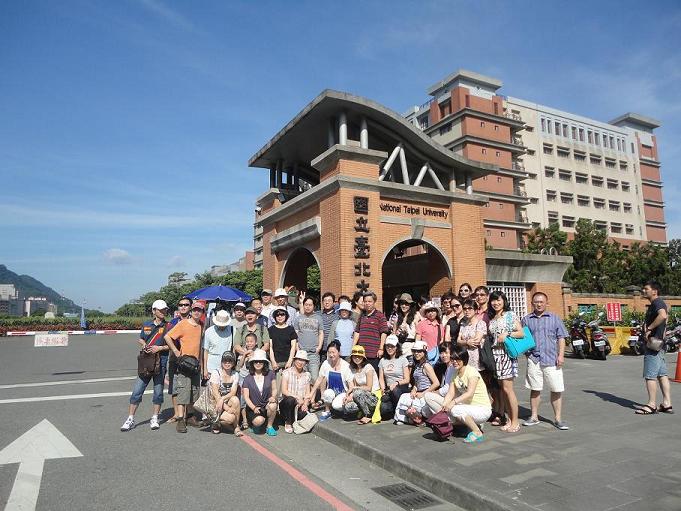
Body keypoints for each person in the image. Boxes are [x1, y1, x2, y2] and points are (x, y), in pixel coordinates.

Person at [521, 292, 570, 429]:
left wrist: (561, 355)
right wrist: (527, 354)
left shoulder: (554, 318)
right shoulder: (526, 319)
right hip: (534, 359)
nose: (539, 304)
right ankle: (534, 416)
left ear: (546, 303)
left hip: (552, 359)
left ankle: (558, 419)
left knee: (556, 388)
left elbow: (561, 337)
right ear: (532, 303)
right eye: (536, 302)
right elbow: (523, 338)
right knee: (535, 389)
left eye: (541, 302)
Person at [120, 300, 171, 432]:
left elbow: (173, 345)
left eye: (165, 309)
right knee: (137, 390)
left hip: (161, 362)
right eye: (161, 310)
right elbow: (141, 338)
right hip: (146, 362)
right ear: (154, 311)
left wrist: (159, 348)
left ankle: (155, 417)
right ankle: (130, 418)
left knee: (158, 392)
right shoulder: (147, 325)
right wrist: (144, 344)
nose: (164, 312)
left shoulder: (169, 326)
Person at [164, 300, 206, 433]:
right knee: (183, 391)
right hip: (184, 364)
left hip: (196, 365)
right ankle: (181, 419)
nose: (197, 312)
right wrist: (176, 351)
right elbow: (167, 337)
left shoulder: (201, 326)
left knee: (194, 391)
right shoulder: (183, 324)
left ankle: (191, 417)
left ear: (202, 312)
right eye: (195, 310)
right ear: (191, 311)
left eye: (199, 310)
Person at [438, 345, 492, 443]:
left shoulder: (471, 372)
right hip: (469, 407)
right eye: (453, 359)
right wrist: (444, 405)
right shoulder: (455, 373)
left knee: (455, 409)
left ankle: (477, 431)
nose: (455, 362)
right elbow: (450, 393)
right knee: (447, 413)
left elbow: (469, 393)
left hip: (482, 409)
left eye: (458, 359)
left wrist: (453, 402)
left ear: (464, 359)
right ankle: (470, 426)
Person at [488, 290, 524, 433]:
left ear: (504, 301)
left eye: (499, 300)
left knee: (508, 389)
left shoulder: (510, 315)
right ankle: (509, 419)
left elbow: (521, 333)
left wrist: (507, 334)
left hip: (506, 354)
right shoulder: (492, 318)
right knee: (503, 389)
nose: (496, 303)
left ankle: (515, 421)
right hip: (495, 355)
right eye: (493, 300)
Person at [636, 281, 673, 415]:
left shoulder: (657, 303)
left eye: (646, 289)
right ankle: (667, 403)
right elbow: (666, 319)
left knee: (650, 376)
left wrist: (649, 329)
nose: (643, 291)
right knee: (662, 375)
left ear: (654, 291)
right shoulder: (657, 304)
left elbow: (663, 316)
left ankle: (651, 404)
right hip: (659, 344)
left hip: (653, 345)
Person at [394, 340, 439, 424]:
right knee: (403, 397)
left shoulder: (426, 366)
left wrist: (423, 393)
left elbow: (436, 383)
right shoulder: (418, 365)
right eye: (414, 351)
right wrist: (413, 390)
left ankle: (414, 418)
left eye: (419, 351)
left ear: (424, 352)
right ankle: (402, 419)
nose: (416, 353)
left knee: (410, 404)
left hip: (426, 395)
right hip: (418, 393)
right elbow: (417, 382)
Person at [308, 341, 353, 421]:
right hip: (332, 391)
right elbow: (319, 379)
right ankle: (327, 411)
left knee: (336, 405)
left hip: (343, 393)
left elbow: (351, 384)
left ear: (339, 352)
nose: (331, 355)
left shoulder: (346, 366)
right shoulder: (326, 363)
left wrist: (349, 396)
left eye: (333, 352)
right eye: (329, 352)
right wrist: (311, 394)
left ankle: (342, 410)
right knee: (327, 393)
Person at [166, 297, 192, 423]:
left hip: (190, 360)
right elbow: (167, 339)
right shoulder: (172, 322)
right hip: (175, 359)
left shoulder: (195, 321)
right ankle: (177, 414)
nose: (183, 307)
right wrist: (175, 351)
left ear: (190, 307)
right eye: (181, 305)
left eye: (186, 305)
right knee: (174, 387)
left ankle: (188, 414)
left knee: (189, 387)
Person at [242, 349, 278, 436]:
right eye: (256, 361)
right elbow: (246, 397)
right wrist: (254, 408)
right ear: (252, 363)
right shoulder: (247, 378)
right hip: (253, 407)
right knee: (258, 421)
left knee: (273, 405)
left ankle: (269, 426)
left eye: (261, 361)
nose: (258, 363)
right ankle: (256, 424)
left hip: (266, 404)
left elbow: (274, 389)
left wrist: (273, 397)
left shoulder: (270, 374)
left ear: (264, 363)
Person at [353, 291, 390, 372]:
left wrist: (381, 348)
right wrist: (353, 346)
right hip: (361, 353)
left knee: (373, 375)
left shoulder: (380, 316)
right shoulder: (362, 316)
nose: (367, 303)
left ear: (374, 302)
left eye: (369, 301)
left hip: (374, 354)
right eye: (365, 301)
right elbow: (357, 331)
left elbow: (384, 333)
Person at [344, 345, 380, 424]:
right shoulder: (353, 369)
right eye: (355, 356)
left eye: (359, 356)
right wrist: (350, 396)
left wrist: (354, 388)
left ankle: (368, 415)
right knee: (348, 407)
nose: (357, 358)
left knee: (357, 392)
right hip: (361, 396)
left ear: (363, 357)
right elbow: (355, 385)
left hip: (373, 397)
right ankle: (362, 411)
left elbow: (369, 387)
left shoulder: (368, 367)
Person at [279, 350, 312, 433]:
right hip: (287, 403)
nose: (300, 362)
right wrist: (297, 397)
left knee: (303, 413)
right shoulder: (286, 372)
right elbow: (284, 391)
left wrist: (305, 403)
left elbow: (308, 393)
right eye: (298, 359)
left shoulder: (307, 375)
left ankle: (293, 419)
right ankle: (288, 422)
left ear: (306, 363)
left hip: (300, 404)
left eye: (303, 360)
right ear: (294, 360)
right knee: (290, 399)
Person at [209, 351, 242, 436]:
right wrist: (226, 408)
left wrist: (222, 399)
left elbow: (233, 392)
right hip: (214, 403)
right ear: (221, 362)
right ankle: (216, 422)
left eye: (230, 361)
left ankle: (236, 426)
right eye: (225, 361)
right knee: (230, 418)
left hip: (224, 400)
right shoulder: (216, 372)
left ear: (233, 363)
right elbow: (215, 393)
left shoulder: (235, 374)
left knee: (235, 400)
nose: (227, 363)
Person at [378, 334, 410, 418]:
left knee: (395, 390)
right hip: (389, 390)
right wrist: (383, 390)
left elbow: (407, 379)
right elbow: (381, 378)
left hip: (401, 388)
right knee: (384, 410)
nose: (389, 348)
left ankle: (402, 411)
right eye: (387, 346)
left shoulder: (403, 359)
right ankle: (394, 409)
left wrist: (396, 383)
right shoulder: (382, 361)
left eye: (392, 346)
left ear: (396, 347)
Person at [268, 307, 298, 396]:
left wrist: (290, 361)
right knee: (276, 387)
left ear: (286, 316)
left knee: (288, 386)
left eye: (282, 314)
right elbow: (270, 347)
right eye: (277, 315)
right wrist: (273, 361)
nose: (280, 316)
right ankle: (276, 403)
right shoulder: (271, 329)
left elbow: (293, 346)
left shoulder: (290, 329)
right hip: (275, 361)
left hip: (288, 360)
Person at [294, 296, 324, 380]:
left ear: (314, 306)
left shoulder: (318, 318)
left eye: (310, 305)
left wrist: (319, 347)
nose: (308, 307)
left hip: (313, 353)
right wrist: (297, 348)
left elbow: (321, 333)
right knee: (301, 378)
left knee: (314, 378)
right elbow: (295, 334)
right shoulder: (298, 318)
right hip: (301, 353)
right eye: (306, 305)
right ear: (303, 305)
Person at [423, 343, 456, 418]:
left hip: (452, 399)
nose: (444, 355)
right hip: (445, 397)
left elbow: (448, 389)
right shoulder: (447, 368)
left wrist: (435, 392)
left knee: (428, 396)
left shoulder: (453, 367)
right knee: (425, 411)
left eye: (446, 353)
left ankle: (447, 419)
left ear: (451, 353)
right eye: (441, 353)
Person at [202, 309, 234, 381]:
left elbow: (234, 348)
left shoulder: (232, 330)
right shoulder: (209, 331)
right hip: (211, 366)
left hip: (227, 365)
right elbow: (205, 351)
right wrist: (205, 369)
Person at [456, 299, 486, 372]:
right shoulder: (463, 324)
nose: (467, 311)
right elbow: (458, 341)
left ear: (475, 310)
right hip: (464, 357)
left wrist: (463, 342)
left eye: (470, 308)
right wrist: (467, 342)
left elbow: (476, 342)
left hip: (476, 358)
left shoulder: (481, 323)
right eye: (465, 309)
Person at [236, 332, 258, 430]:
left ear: (256, 342)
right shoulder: (243, 351)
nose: (249, 343)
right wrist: (244, 355)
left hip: (254, 378)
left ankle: (254, 418)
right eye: (247, 342)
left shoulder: (258, 352)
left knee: (254, 398)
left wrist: (253, 357)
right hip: (243, 377)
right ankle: (244, 419)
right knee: (242, 398)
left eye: (251, 341)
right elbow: (239, 366)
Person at [393, 293, 418, 363]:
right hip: (400, 350)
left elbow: (418, 334)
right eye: (402, 303)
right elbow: (393, 334)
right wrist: (396, 333)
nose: (404, 306)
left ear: (410, 305)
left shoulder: (415, 317)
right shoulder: (397, 318)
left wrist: (416, 349)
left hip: (411, 350)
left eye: (406, 304)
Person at [318, 292, 338, 362]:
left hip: (333, 349)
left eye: (329, 300)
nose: (327, 302)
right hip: (319, 348)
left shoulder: (338, 316)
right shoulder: (317, 315)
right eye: (325, 301)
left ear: (334, 303)